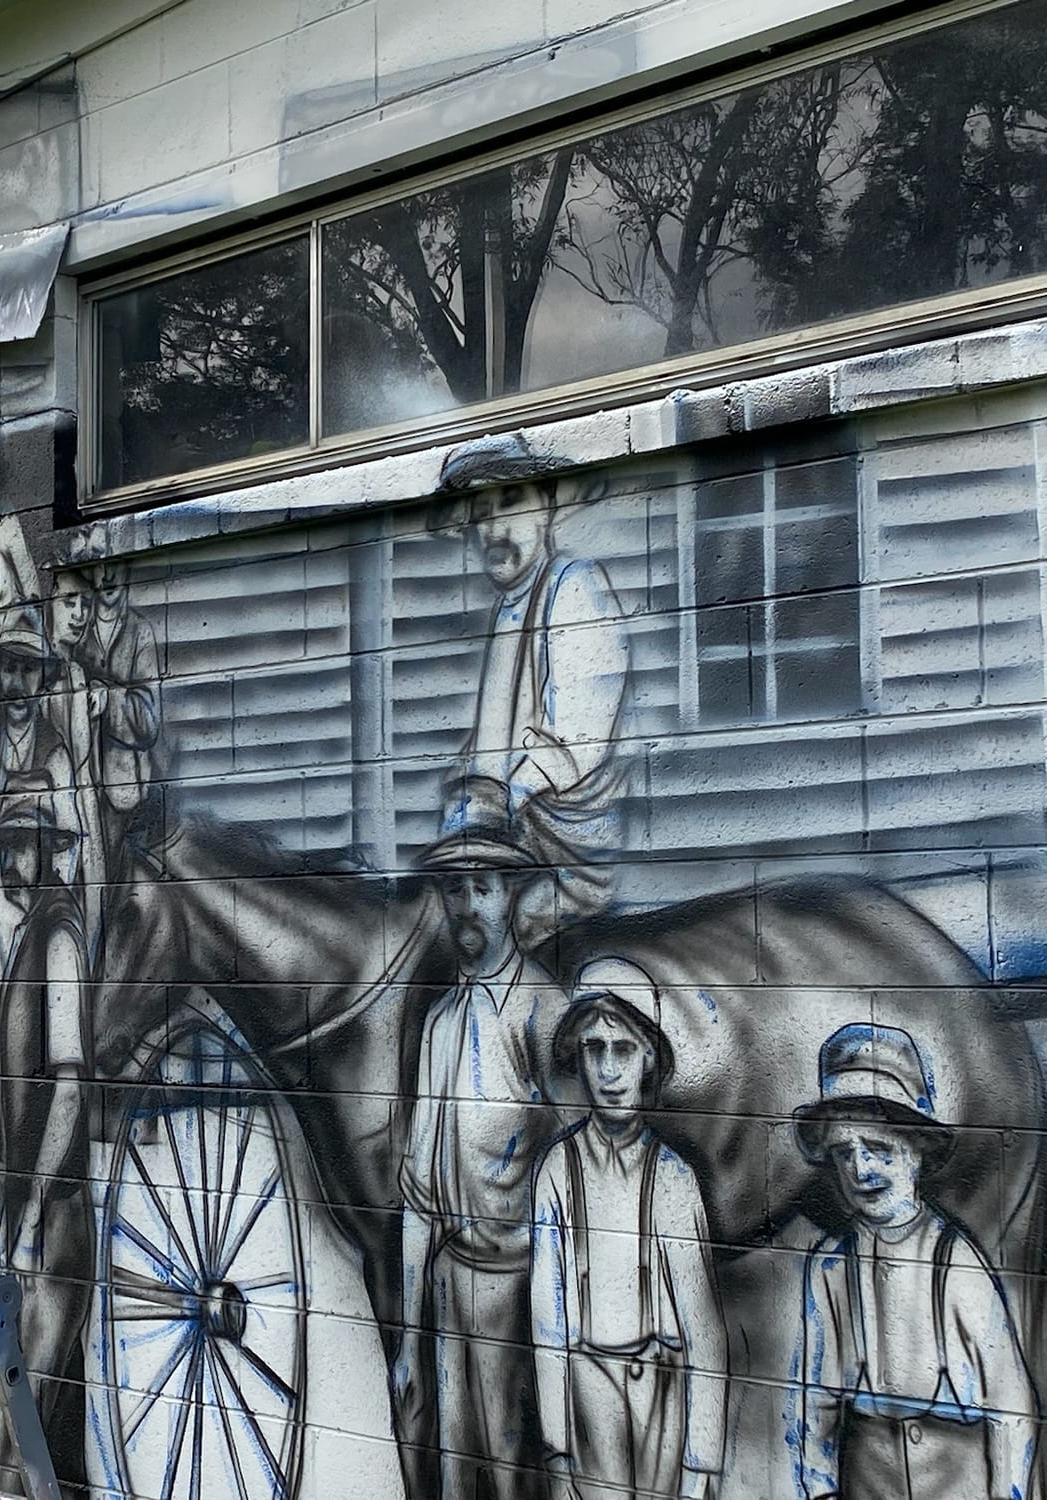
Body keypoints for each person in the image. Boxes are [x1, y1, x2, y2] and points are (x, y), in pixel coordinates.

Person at [394, 806, 569, 1500]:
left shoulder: (542, 1012)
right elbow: (417, 1204)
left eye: (484, 886)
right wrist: (408, 1341)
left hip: (519, 1288)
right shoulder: (439, 1022)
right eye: (454, 888)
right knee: (454, 1467)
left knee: (509, 1462)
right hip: (449, 1284)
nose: (467, 905)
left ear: (513, 894)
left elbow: (578, 1177)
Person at [793, 1023, 1038, 1500]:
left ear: (916, 1151)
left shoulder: (955, 1262)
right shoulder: (831, 1267)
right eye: (845, 1153)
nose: (861, 1169)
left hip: (954, 1482)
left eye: (878, 1149)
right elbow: (813, 1400)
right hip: (866, 1480)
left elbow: (1013, 1406)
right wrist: (819, 1487)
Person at [531, 957, 727, 1500]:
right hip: (589, 1397)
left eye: (624, 1050)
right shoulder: (558, 1170)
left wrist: (700, 1465)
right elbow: (547, 1325)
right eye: (595, 1050)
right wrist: (558, 1454)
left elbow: (704, 1332)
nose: (610, 1072)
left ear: (648, 1061)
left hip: (660, 1392)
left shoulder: (672, 1177)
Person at [438, 433, 630, 946]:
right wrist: (465, 810)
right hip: (499, 848)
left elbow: (572, 744)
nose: (493, 529)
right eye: (480, 513)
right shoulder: (509, 609)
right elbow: (485, 751)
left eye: (510, 503)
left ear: (545, 506)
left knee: (497, 937)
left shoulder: (574, 588)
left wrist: (494, 809)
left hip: (563, 857)